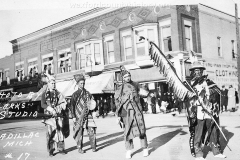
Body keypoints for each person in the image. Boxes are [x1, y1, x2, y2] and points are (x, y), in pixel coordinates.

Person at [188, 61, 226, 160]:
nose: (198, 73)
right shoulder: (190, 84)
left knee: (213, 131)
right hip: (198, 111)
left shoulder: (209, 82)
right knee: (198, 132)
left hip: (209, 111)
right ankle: (198, 153)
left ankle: (216, 151)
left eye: (200, 71)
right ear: (192, 72)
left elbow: (217, 92)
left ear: (202, 71)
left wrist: (210, 97)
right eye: (196, 71)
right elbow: (188, 99)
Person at [115, 67, 149, 159]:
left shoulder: (136, 84)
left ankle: (145, 148)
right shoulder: (120, 88)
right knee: (128, 132)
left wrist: (145, 89)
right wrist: (118, 115)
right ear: (123, 78)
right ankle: (128, 151)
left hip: (137, 111)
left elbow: (145, 93)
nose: (128, 78)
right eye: (125, 77)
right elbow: (117, 102)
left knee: (141, 130)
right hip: (127, 112)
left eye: (129, 76)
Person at [41, 74, 68, 157]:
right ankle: (51, 150)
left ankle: (61, 149)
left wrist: (61, 106)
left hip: (58, 116)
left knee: (60, 133)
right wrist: (50, 109)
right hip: (49, 117)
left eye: (54, 83)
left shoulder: (59, 93)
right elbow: (42, 104)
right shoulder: (44, 94)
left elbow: (63, 102)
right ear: (48, 84)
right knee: (50, 133)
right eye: (52, 83)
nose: (53, 85)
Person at [70, 74, 97, 153]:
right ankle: (80, 148)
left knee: (91, 130)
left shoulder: (88, 93)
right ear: (77, 84)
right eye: (81, 83)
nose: (82, 85)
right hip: (78, 115)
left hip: (88, 114)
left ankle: (93, 146)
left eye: (83, 83)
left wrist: (94, 111)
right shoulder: (74, 94)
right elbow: (72, 106)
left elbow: (93, 103)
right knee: (79, 132)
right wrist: (73, 116)